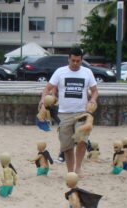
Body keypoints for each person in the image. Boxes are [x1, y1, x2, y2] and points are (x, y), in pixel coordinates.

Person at [39, 48, 98, 177]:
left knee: (82, 140)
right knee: (67, 145)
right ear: (69, 59)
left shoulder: (87, 72)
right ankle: (70, 171)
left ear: (81, 60)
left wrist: (93, 100)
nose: (75, 63)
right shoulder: (60, 72)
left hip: (82, 113)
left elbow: (94, 91)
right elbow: (47, 88)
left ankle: (78, 168)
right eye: (73, 60)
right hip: (64, 113)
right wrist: (43, 100)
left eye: (78, 61)